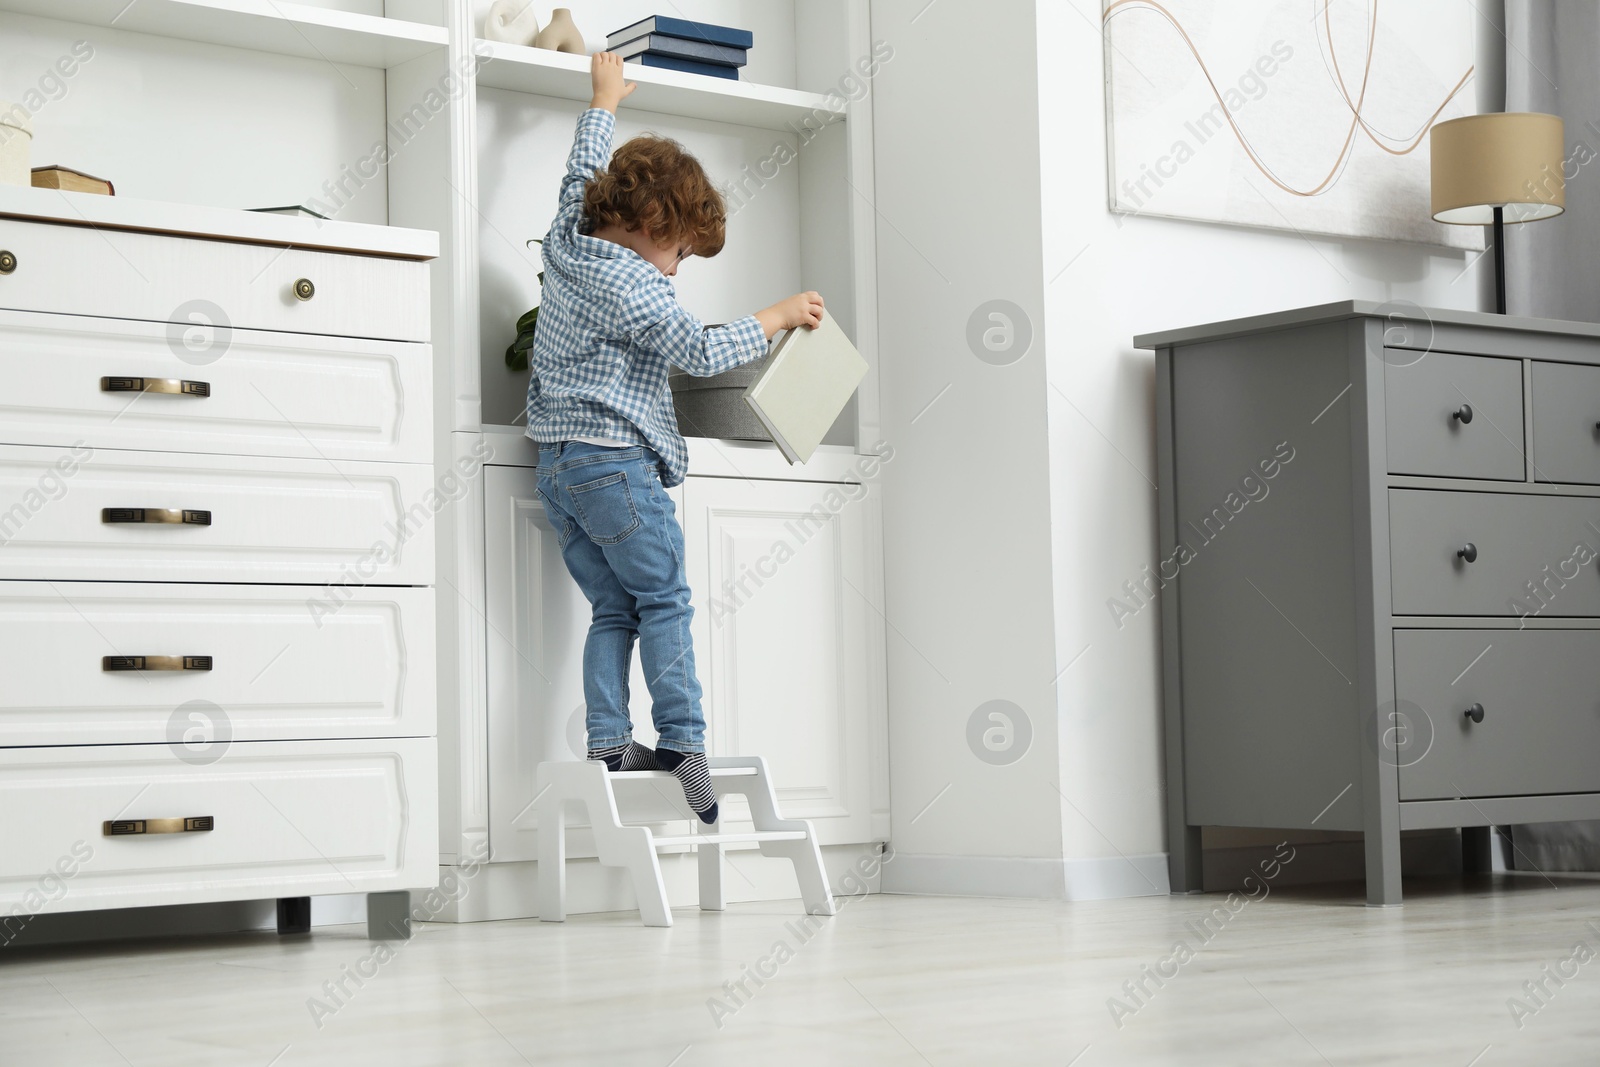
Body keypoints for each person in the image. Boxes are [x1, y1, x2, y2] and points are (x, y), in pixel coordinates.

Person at [526, 53, 824, 823]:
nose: (678, 267)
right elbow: (699, 349)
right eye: (680, 250)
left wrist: (604, 99)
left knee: (612, 610)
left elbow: (580, 170)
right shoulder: (633, 283)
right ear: (649, 225)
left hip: (557, 470)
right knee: (666, 600)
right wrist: (780, 315)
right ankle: (684, 744)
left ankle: (607, 741)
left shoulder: (567, 236)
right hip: (615, 468)